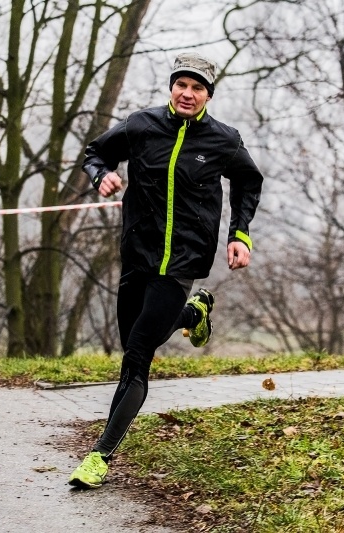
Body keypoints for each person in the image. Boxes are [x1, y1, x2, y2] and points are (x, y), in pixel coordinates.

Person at [68, 52, 264, 488]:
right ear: (171, 89)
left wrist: (240, 234)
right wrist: (101, 175)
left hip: (182, 262)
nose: (188, 94)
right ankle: (192, 315)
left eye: (197, 88)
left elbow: (249, 182)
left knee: (138, 355)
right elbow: (95, 152)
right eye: (182, 85)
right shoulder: (142, 125)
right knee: (133, 343)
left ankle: (99, 456)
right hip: (138, 254)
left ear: (208, 95)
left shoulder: (224, 140)